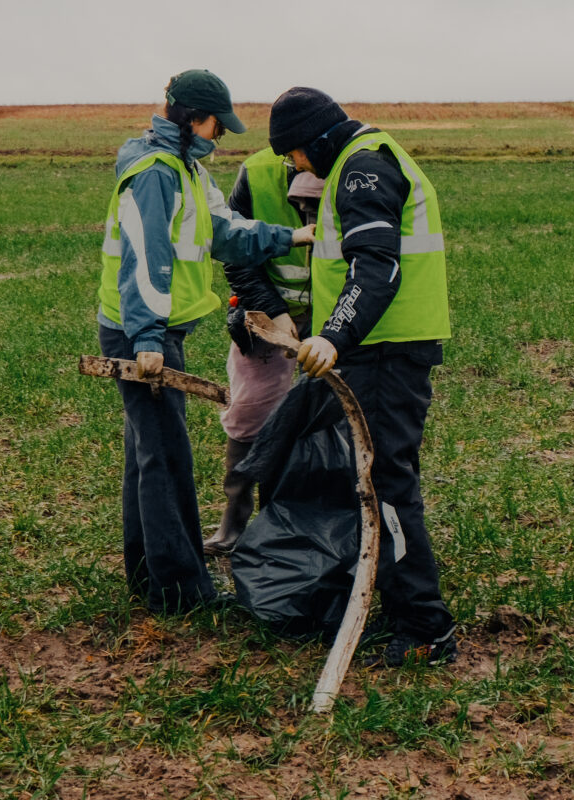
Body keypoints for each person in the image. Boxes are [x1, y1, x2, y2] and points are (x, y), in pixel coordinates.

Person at [97, 69, 315, 614]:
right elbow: (144, 260)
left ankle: (150, 577)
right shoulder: (155, 172)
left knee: (148, 455)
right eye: (219, 126)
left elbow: (225, 232)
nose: (220, 137)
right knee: (167, 458)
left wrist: (291, 235)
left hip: (157, 329)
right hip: (141, 332)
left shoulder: (187, 171)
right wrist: (146, 336)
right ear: (194, 117)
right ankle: (181, 593)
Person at [267, 86, 457, 667]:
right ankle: (384, 603)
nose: (295, 167)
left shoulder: (361, 171)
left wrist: (334, 335)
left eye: (294, 154)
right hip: (378, 350)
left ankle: (426, 629)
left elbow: (376, 267)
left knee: (387, 486)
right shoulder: (363, 160)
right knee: (375, 482)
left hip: (384, 353)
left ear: (316, 141)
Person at [203, 151, 324, 555]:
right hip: (265, 316)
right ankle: (233, 523)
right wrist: (274, 312)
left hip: (332, 322)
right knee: (250, 413)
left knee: (316, 420)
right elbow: (236, 253)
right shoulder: (256, 174)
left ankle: (282, 523)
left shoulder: (352, 171)